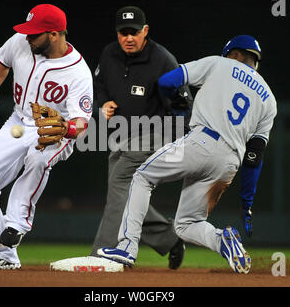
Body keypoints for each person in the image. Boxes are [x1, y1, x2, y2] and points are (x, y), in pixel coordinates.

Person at [98, 35, 277, 274]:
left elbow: (167, 81)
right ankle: (222, 240)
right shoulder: (269, 99)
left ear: (233, 54)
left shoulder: (218, 63)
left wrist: (176, 101)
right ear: (255, 60)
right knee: (186, 224)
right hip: (229, 164)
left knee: (141, 177)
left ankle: (127, 247)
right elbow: (254, 157)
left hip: (201, 142)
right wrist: (247, 204)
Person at [0, 4, 93, 269]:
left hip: (54, 131)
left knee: (37, 158)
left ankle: (16, 223)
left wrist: (67, 130)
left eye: (35, 34)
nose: (27, 37)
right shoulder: (21, 42)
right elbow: (2, 59)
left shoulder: (78, 71)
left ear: (55, 34)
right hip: (17, 123)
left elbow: (82, 122)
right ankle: (3, 254)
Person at [91, 6, 192, 269]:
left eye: (134, 32)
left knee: (119, 185)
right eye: (123, 33)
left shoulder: (162, 60)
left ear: (145, 31)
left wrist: (176, 142)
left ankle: (107, 254)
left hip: (155, 134)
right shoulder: (109, 53)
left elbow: (183, 104)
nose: (128, 38)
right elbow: (100, 85)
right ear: (117, 33)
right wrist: (103, 104)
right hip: (120, 136)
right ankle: (169, 239)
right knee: (123, 195)